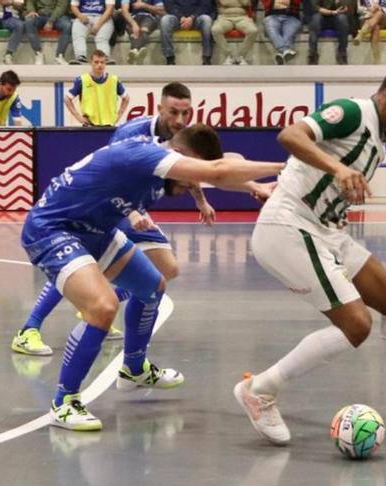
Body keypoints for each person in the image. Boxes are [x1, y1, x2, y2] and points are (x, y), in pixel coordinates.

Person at [233, 63, 386, 446]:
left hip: (326, 232)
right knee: (356, 325)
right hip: (289, 227)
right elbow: (290, 135)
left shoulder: (380, 138)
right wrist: (338, 168)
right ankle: (259, 390)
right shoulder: (354, 113)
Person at [22, 125, 284, 430]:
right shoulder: (147, 155)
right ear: (181, 156)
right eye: (191, 175)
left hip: (95, 229)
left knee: (152, 285)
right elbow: (216, 171)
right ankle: (64, 402)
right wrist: (284, 168)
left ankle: (133, 369)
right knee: (102, 307)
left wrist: (256, 187)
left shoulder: (166, 164)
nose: (192, 185)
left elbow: (212, 174)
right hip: (53, 227)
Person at [13, 82, 215, 356]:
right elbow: (114, 175)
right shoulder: (133, 132)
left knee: (167, 269)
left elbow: (191, 168)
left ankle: (95, 303)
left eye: (185, 113)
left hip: (138, 210)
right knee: (79, 261)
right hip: (118, 209)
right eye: (174, 112)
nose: (180, 120)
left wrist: (201, 201)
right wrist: (132, 214)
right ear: (160, 108)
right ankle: (30, 329)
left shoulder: (183, 137)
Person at [64, 50, 129, 127]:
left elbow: (126, 98)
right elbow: (67, 98)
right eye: (96, 62)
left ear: (105, 63)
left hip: (109, 126)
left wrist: (118, 116)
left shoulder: (114, 80)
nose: (100, 65)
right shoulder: (82, 80)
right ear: (91, 63)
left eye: (102, 62)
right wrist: (78, 117)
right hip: (89, 126)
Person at [160, 0, 214, 65]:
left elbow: (205, 5)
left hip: (197, 18)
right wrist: (181, 17)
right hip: (177, 18)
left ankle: (207, 57)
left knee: (207, 20)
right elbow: (169, 5)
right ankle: (170, 58)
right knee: (165, 20)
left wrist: (192, 18)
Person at [24, 0, 72, 65]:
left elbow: (61, 7)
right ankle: (38, 53)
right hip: (40, 15)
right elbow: (30, 2)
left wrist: (51, 21)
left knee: (67, 25)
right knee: (29, 22)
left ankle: (60, 56)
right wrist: (31, 11)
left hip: (58, 16)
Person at [211, 0, 257, 65]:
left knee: (252, 30)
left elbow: (246, 3)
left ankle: (241, 56)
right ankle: (229, 56)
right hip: (225, 17)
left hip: (242, 17)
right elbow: (224, 2)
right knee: (215, 30)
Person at [307, 0, 351, 65]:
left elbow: (345, 7)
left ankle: (342, 53)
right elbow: (317, 8)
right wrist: (333, 11)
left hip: (336, 17)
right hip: (321, 16)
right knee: (315, 20)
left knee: (343, 19)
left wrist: (340, 3)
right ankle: (313, 53)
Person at [261, 0, 303, 64]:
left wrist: (279, 2)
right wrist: (282, 3)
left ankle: (281, 55)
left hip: (292, 17)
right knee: (272, 29)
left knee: (288, 36)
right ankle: (285, 50)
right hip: (272, 16)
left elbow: (296, 2)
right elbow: (268, 4)